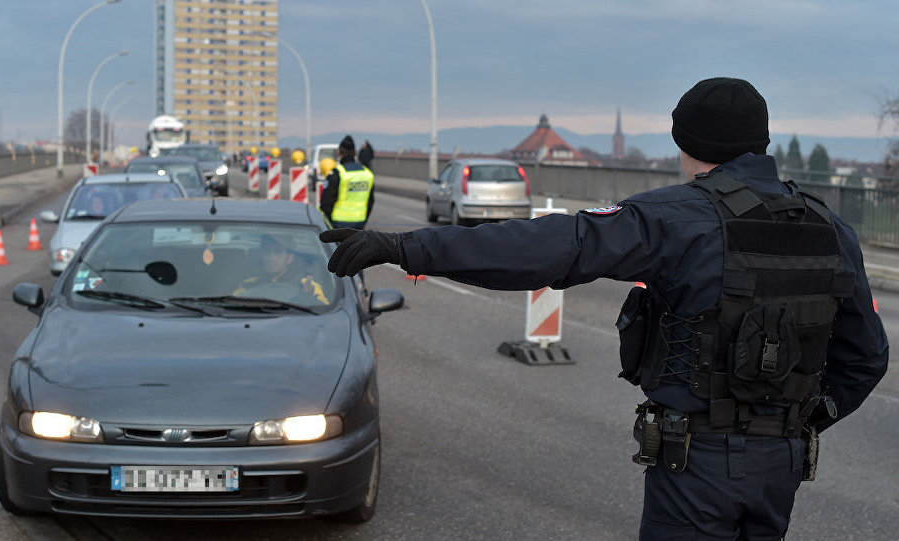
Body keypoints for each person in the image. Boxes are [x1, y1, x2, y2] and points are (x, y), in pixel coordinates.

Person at [319, 77, 889, 540]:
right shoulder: (829, 226)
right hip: (782, 464)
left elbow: (545, 249)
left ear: (686, 143)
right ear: (761, 142)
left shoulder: (674, 217)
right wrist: (802, 422)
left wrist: (402, 247)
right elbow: (865, 356)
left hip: (697, 464)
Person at [234, 234, 329, 305]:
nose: (271, 258)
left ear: (289, 258)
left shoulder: (308, 286)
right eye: (267, 252)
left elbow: (326, 315)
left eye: (277, 252)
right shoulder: (248, 285)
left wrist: (307, 297)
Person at [320, 135, 375, 230]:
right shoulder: (367, 174)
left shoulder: (337, 173)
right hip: (359, 223)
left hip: (337, 223)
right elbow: (370, 201)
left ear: (339, 152)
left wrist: (327, 224)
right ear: (355, 153)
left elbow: (326, 202)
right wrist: (363, 219)